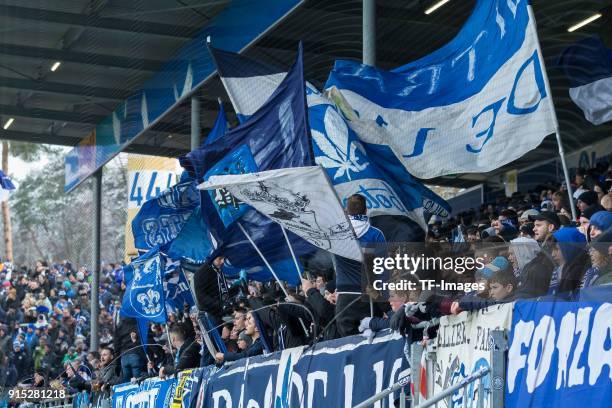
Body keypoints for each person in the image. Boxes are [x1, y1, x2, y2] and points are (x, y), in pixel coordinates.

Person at [334, 194, 387, 336]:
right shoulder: (375, 234)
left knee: (348, 346)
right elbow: (383, 269)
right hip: (369, 296)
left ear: (346, 210)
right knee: (374, 344)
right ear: (366, 211)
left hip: (345, 298)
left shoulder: (336, 234)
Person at [548, 227, 588, 296]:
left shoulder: (577, 271)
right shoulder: (559, 269)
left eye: (557, 249)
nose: (553, 254)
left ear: (570, 248)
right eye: (551, 249)